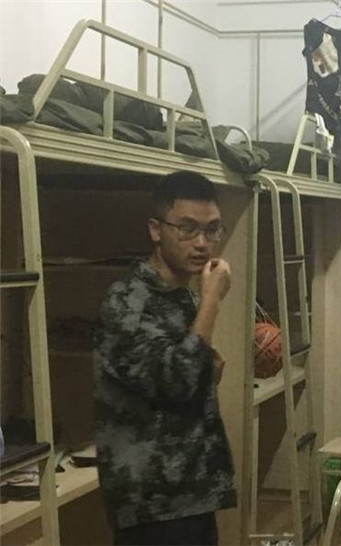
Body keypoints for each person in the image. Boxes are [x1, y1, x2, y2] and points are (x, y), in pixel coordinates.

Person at [94, 171, 236, 546]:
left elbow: (182, 367)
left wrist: (207, 361)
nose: (202, 243)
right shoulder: (127, 301)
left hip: (191, 490)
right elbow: (178, 380)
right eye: (187, 229)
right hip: (151, 501)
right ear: (156, 230)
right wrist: (211, 301)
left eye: (212, 230)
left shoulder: (180, 296)